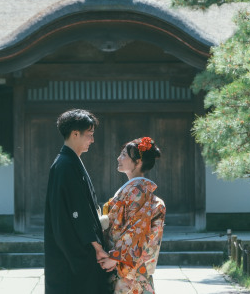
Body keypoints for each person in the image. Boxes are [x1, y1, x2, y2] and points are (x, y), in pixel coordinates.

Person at [44, 108, 111, 294]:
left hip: (72, 246)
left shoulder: (68, 161)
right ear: (75, 134)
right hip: (74, 251)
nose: (92, 140)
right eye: (89, 134)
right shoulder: (65, 165)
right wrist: (97, 246)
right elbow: (79, 210)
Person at [98, 137, 166, 294]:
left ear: (138, 162)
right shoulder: (135, 188)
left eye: (123, 155)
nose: (118, 158)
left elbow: (136, 229)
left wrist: (114, 258)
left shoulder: (138, 190)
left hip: (126, 267)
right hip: (128, 263)